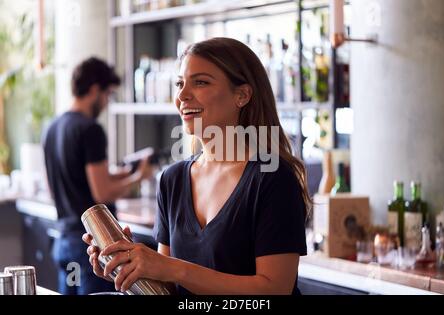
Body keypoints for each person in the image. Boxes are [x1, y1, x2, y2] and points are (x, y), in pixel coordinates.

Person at [84, 38, 311, 295]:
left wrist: (172, 267)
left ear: (242, 95)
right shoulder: (173, 179)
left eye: (200, 82)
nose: (182, 96)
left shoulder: (272, 178)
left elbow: (274, 290)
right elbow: (167, 291)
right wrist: (130, 266)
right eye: (180, 83)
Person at [43, 57, 153, 295]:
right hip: (91, 246)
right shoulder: (90, 129)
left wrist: (120, 174)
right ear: (95, 90)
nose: (106, 102)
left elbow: (64, 183)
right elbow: (101, 193)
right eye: (107, 94)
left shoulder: (53, 127)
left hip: (63, 240)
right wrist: (140, 177)